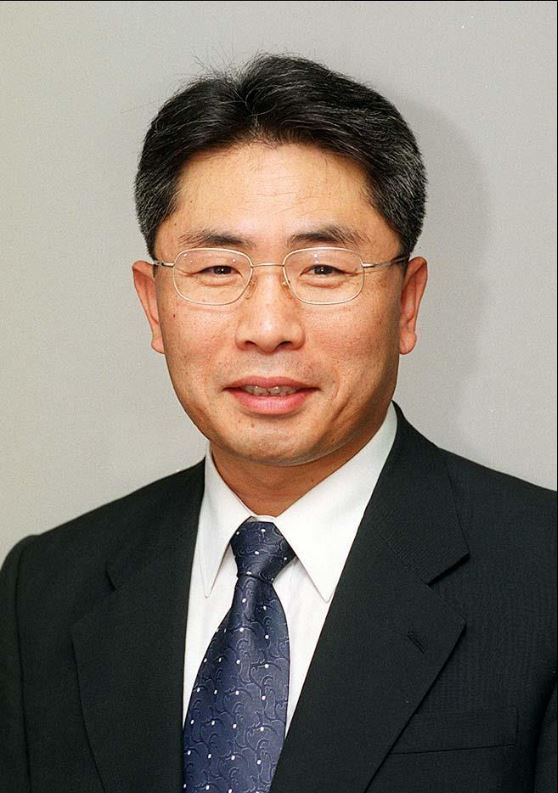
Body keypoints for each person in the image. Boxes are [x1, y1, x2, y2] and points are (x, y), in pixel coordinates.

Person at [0, 54, 555, 793]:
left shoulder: (541, 576)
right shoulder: (42, 590)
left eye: (322, 269)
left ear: (407, 302)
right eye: (218, 270)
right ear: (153, 305)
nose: (267, 327)